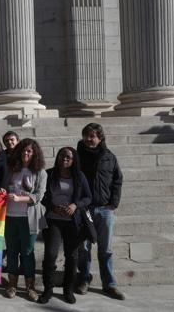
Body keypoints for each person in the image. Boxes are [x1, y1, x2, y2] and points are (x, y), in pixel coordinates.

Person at [76, 123, 125, 300]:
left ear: (100, 138)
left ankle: (109, 284)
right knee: (83, 248)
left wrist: (114, 202)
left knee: (106, 249)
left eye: (93, 136)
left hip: (105, 209)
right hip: (84, 209)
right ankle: (84, 279)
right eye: (86, 135)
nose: (89, 139)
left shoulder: (109, 157)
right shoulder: (76, 156)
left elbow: (118, 180)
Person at [39, 147, 92, 305]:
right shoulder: (49, 174)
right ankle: (48, 289)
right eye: (62, 156)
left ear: (73, 159)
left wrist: (75, 205)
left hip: (72, 222)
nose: (65, 159)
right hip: (53, 220)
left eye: (68, 157)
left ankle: (68, 289)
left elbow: (88, 197)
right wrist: (52, 206)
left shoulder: (79, 176)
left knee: (72, 256)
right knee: (50, 254)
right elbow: (42, 195)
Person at [3, 138, 47, 302]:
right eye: (23, 151)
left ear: (35, 153)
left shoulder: (40, 172)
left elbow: (38, 196)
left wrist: (18, 198)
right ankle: (12, 285)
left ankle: (30, 287)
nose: (25, 154)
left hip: (29, 218)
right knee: (12, 251)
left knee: (27, 252)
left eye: (29, 151)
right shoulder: (12, 169)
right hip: (10, 217)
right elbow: (4, 187)